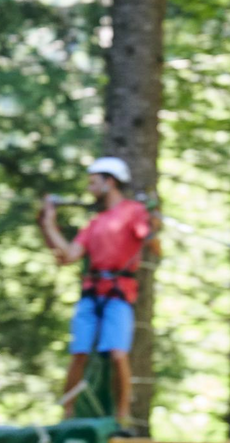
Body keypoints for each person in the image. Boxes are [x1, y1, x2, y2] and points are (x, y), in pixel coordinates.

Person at [37, 157, 154, 429]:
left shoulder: (133, 211)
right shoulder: (94, 223)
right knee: (79, 352)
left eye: (93, 182)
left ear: (109, 181)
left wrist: (152, 216)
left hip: (119, 293)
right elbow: (69, 256)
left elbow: (151, 241)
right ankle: (67, 414)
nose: (89, 189)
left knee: (117, 354)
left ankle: (122, 417)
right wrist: (49, 224)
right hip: (92, 292)